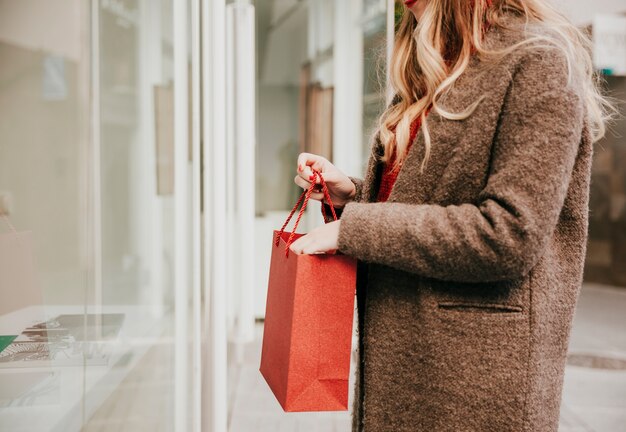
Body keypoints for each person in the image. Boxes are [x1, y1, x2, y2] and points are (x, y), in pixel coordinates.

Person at [289, 0, 616, 431]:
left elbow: (508, 232)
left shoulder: (538, 59)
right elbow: (431, 195)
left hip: (471, 389)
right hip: (411, 368)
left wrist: (355, 228)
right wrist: (353, 194)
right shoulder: (434, 58)